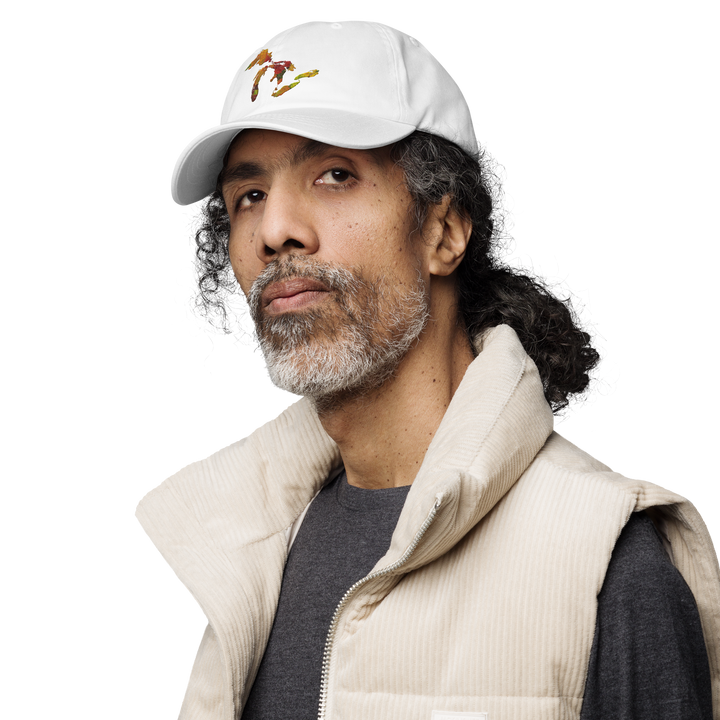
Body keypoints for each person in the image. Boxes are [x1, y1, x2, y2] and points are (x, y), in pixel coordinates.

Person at [134, 18, 719, 720]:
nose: (274, 229)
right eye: (248, 196)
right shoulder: (237, 551)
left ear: (445, 231)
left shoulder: (602, 558)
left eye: (335, 175)